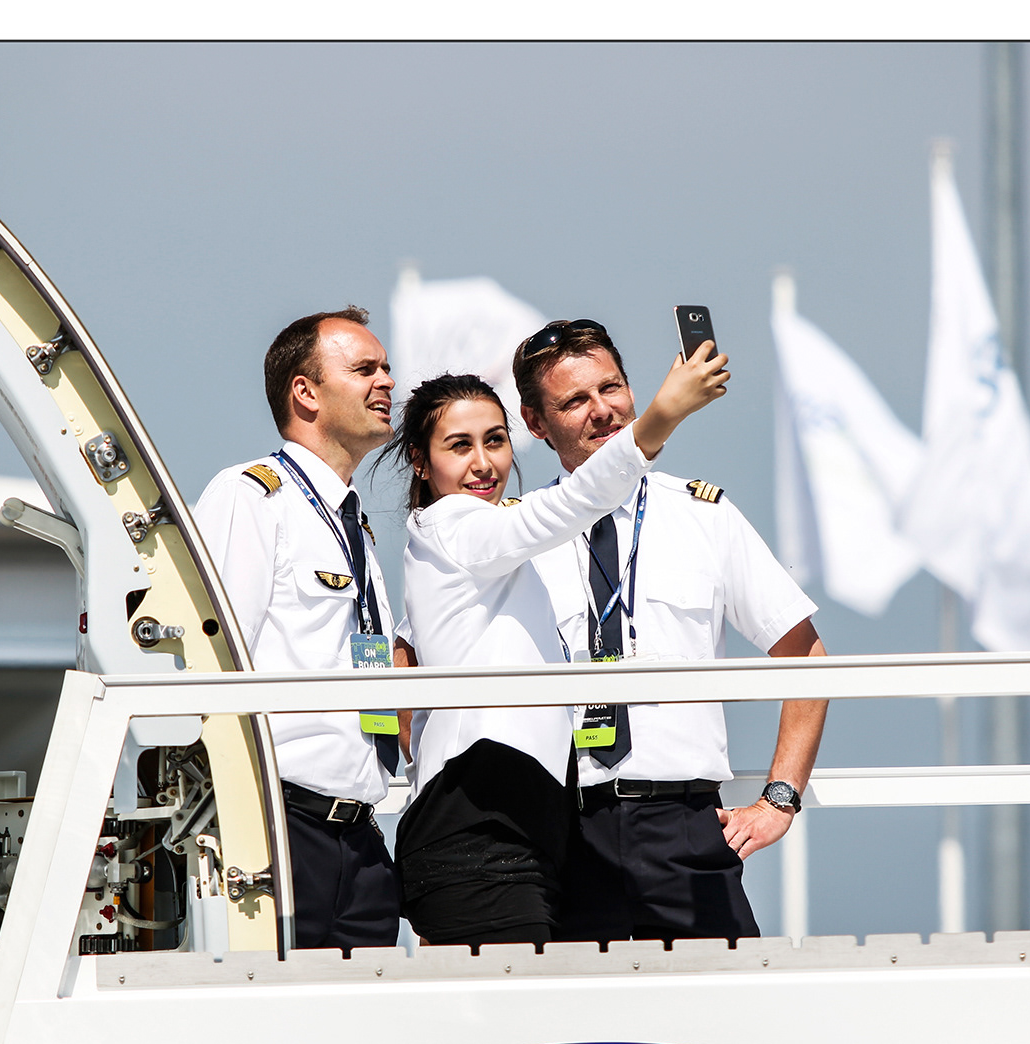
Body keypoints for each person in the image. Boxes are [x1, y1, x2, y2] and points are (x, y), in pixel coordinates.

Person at [387, 348, 728, 950]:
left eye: (495, 441)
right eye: (459, 446)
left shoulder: (483, 543)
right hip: (475, 828)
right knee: (510, 1007)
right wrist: (660, 418)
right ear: (420, 460)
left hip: (523, 829)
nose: (483, 463)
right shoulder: (453, 524)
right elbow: (564, 506)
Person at [513, 319, 831, 944]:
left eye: (611, 388)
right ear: (535, 422)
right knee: (564, 1009)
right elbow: (416, 655)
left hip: (683, 824)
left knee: (726, 999)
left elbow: (805, 655)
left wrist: (779, 799)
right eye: (574, 401)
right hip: (558, 829)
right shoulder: (515, 530)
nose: (601, 411)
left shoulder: (702, 515)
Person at [191, 307, 402, 951]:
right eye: (364, 369)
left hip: (360, 839)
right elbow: (210, 663)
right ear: (305, 392)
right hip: (281, 829)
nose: (387, 382)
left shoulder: (352, 523)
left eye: (386, 368)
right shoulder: (252, 496)